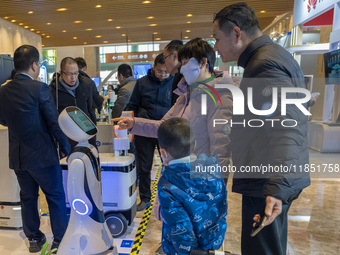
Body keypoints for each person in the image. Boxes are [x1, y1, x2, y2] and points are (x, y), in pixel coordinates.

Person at [213, 3, 310, 255]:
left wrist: (276, 188)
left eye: (217, 38)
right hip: (265, 176)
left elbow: (286, 128)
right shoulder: (269, 57)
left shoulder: (265, 65)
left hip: (266, 179)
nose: (215, 46)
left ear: (237, 33)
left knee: (262, 249)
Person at [0, 45, 71, 253]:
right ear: (34, 65)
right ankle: (59, 239)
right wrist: (65, 146)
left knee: (28, 197)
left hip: (18, 156)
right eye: (39, 64)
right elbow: (53, 121)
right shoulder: (39, 88)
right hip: (42, 155)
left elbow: (3, 119)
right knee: (55, 196)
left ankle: (34, 239)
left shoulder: (3, 90)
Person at [157, 118, 227, 255]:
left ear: (163, 153)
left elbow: (182, 233)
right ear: (194, 145)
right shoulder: (212, 169)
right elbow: (221, 207)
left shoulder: (168, 185)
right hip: (214, 242)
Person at [126, 53, 174, 211]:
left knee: (169, 165)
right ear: (153, 67)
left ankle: (170, 197)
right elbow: (132, 104)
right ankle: (145, 198)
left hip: (165, 131)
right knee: (144, 167)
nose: (163, 75)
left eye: (166, 72)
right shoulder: (142, 83)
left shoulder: (174, 82)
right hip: (144, 131)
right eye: (160, 71)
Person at [50, 57, 95, 149]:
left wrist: (92, 138)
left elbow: (90, 111)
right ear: (61, 73)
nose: (73, 77)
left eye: (76, 73)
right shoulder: (53, 91)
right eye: (69, 74)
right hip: (66, 138)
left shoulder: (86, 85)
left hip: (85, 136)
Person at [74, 57, 104, 124]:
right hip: (87, 121)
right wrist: (101, 98)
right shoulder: (89, 82)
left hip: (72, 121)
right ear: (84, 68)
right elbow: (97, 102)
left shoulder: (69, 82)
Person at [163, 40, 183, 106]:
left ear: (174, 56)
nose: (164, 63)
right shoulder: (178, 75)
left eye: (165, 58)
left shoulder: (182, 77)